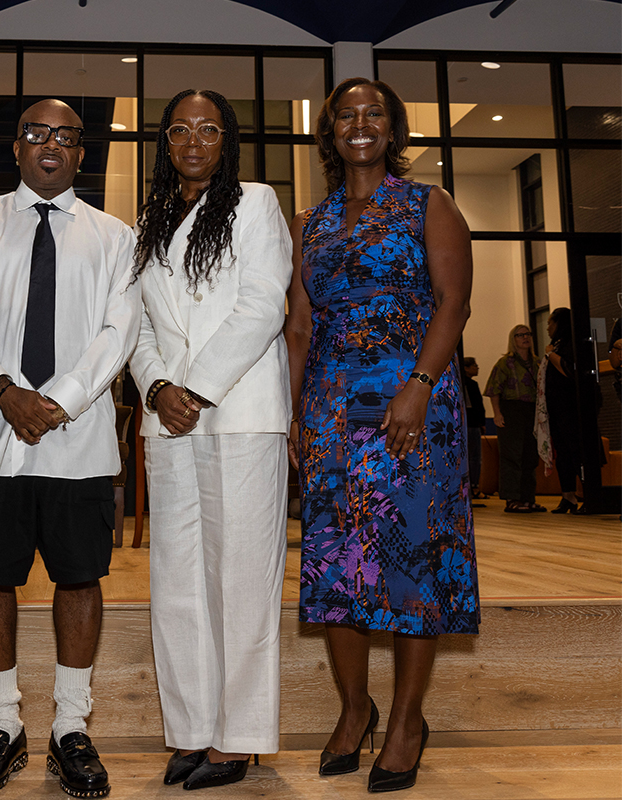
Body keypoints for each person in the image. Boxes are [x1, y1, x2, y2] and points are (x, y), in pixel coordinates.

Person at [0, 99, 140, 798]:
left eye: (65, 135)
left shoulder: (118, 236)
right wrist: (5, 390)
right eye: (35, 132)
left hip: (77, 440)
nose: (49, 144)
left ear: (82, 153)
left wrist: (61, 400)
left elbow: (121, 330)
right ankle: (2, 722)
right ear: (16, 147)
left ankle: (70, 728)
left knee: (79, 579)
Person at [285, 77, 480, 794]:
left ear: (393, 131)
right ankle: (353, 709)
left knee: (409, 565)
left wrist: (420, 387)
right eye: (346, 116)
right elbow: (299, 328)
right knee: (336, 565)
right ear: (329, 132)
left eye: (374, 116)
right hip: (332, 410)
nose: (359, 126)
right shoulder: (311, 221)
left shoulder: (430, 204)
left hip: (412, 406)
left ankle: (405, 722)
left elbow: (454, 303)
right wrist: (294, 418)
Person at [128, 89, 291, 791]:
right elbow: (134, 322)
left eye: (208, 129)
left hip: (241, 411)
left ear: (226, 140)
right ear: (165, 142)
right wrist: (158, 387)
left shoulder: (256, 203)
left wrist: (194, 388)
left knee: (242, 578)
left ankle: (239, 736)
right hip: (167, 421)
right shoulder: (148, 219)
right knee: (179, 583)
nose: (193, 141)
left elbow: (264, 305)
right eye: (179, 130)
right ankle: (193, 728)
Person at [485, 325, 545, 513]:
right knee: (512, 454)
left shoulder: (537, 363)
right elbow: (494, 390)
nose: (525, 337)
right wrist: (497, 413)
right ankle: (512, 499)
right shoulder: (505, 363)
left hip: (532, 411)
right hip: (511, 409)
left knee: (530, 455)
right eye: (520, 335)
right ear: (513, 339)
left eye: (528, 333)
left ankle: (528, 498)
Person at [543, 308, 586, 513]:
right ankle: (568, 497)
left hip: (571, 409)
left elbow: (569, 370)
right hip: (556, 409)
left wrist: (551, 354)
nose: (547, 326)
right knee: (563, 454)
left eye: (551, 322)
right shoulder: (558, 344)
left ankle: (590, 494)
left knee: (578, 452)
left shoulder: (572, 344)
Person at [462, 357, 487, 500]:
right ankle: (474, 486)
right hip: (472, 424)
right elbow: (478, 406)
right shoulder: (470, 385)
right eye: (474, 365)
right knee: (475, 457)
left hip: (469, 424)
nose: (477, 368)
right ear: (466, 367)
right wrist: (481, 422)